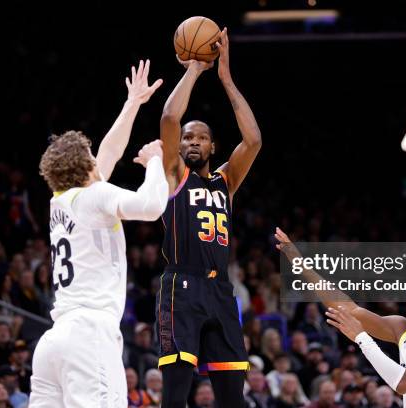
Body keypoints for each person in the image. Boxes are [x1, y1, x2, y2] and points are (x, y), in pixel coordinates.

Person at [29, 60, 167, 408]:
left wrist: (132, 104)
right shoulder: (95, 196)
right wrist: (154, 161)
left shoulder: (60, 201)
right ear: (86, 165)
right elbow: (151, 206)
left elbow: (108, 153)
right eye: (91, 156)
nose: (97, 158)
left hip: (54, 341)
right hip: (89, 336)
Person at [158, 27, 261, 408]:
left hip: (220, 293)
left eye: (200, 138)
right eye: (187, 138)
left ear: (212, 146)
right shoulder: (174, 175)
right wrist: (195, 70)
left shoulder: (226, 181)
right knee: (176, 393)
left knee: (232, 395)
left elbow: (253, 141)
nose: (192, 142)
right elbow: (170, 116)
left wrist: (227, 80)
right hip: (181, 287)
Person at [275, 228, 406, 408]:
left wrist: (362, 338)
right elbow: (347, 308)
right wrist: (298, 261)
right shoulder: (402, 328)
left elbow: (403, 384)